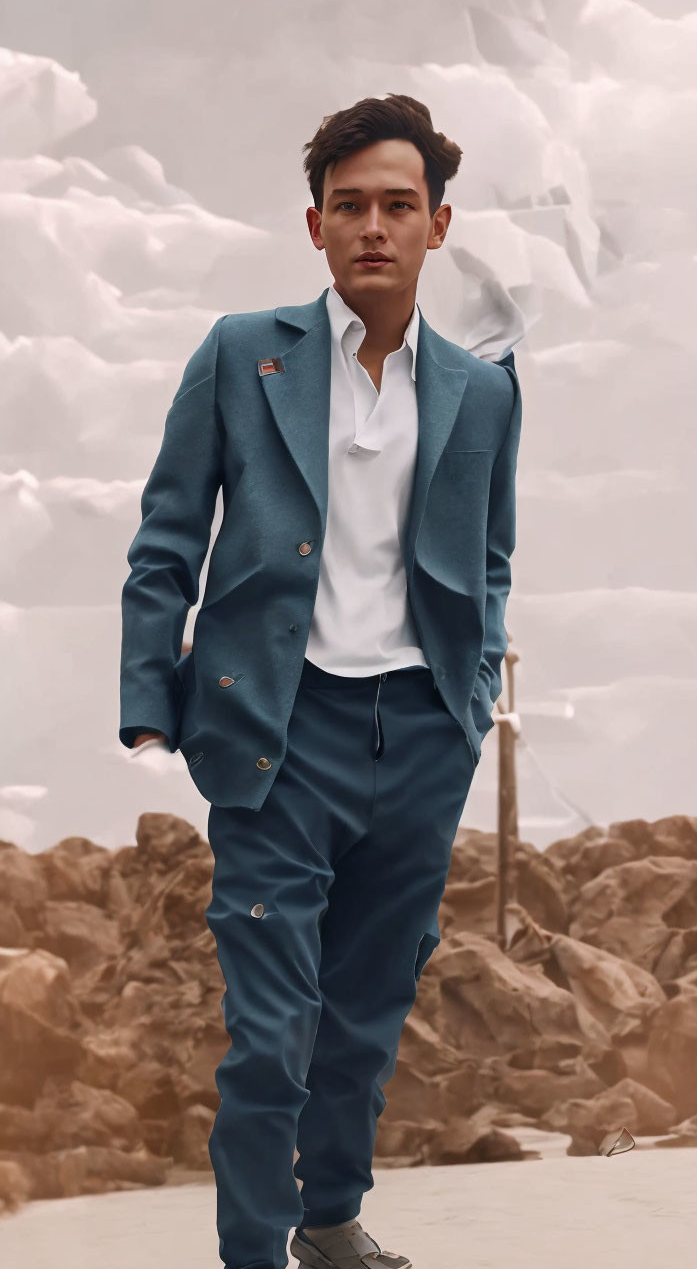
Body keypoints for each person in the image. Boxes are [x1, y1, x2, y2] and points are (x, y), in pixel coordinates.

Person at [119, 93, 523, 1269]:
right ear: (314, 226)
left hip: (419, 736)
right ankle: (254, 1252)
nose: (372, 228)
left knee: (362, 1014)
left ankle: (330, 1219)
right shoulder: (241, 353)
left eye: (398, 205)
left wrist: (469, 696)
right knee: (268, 1032)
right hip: (274, 734)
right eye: (348, 206)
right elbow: (167, 532)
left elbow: (488, 557)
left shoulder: (484, 394)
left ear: (437, 226)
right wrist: (153, 699)